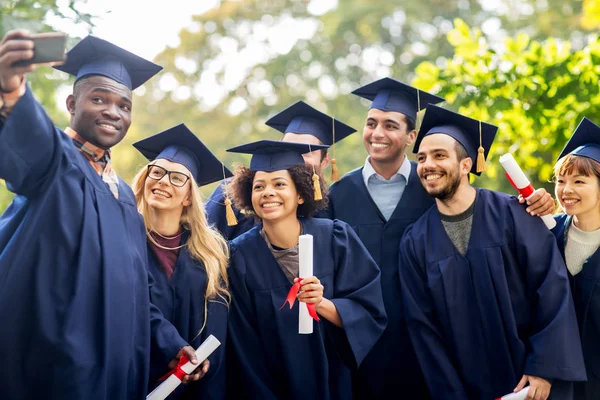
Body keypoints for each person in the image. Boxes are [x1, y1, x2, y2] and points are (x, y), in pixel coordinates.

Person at [326, 77, 555, 399]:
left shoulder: (436, 186)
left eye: (391, 125)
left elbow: (546, 281)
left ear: (411, 136)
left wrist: (540, 204)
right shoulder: (338, 196)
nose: (377, 133)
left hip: (444, 346)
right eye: (371, 123)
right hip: (369, 349)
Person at [0, 32, 198, 399]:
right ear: (72, 103)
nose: (113, 111)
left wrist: (168, 343)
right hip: (55, 367)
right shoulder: (56, 161)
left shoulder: (124, 197)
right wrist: (12, 92)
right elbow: (30, 142)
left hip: (115, 372)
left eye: (124, 105)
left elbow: (137, 293)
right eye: (98, 99)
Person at [400, 104, 586, 400]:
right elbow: (423, 327)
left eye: (439, 155)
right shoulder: (414, 241)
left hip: (530, 384)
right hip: (464, 388)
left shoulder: (515, 214)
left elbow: (552, 289)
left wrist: (543, 367)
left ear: (466, 165)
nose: (427, 165)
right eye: (421, 158)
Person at [225, 140, 386, 399]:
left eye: (279, 184)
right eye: (258, 186)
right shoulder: (239, 256)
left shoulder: (336, 238)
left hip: (336, 382)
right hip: (272, 387)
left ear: (300, 193)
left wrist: (322, 304)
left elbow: (369, 311)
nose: (267, 193)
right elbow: (243, 344)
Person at [132, 124, 232, 399]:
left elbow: (217, 326)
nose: (164, 181)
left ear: (189, 196)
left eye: (177, 177)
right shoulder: (125, 240)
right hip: (134, 379)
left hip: (194, 386)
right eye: (158, 172)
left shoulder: (209, 253)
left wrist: (204, 364)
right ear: (146, 178)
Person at [206, 101, 355, 239]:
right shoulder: (231, 193)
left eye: (306, 151)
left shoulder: (329, 207)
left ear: (325, 161)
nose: (295, 157)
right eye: (288, 147)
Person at [551, 117, 600, 400]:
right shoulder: (547, 232)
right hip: (557, 381)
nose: (566, 190)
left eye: (579, 181)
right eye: (561, 180)